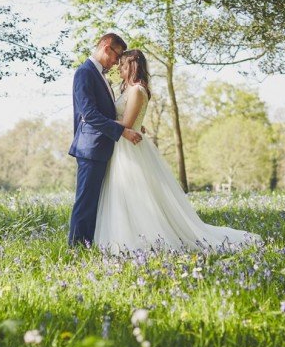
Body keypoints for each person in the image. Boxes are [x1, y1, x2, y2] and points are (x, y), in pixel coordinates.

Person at [95, 49, 261, 251]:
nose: (119, 67)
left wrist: (99, 121)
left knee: (136, 192)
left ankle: (144, 237)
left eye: (122, 64)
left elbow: (128, 123)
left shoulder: (138, 89)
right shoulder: (128, 89)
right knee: (124, 192)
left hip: (130, 146)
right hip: (124, 144)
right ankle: (122, 235)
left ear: (131, 66)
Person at [68, 33, 143, 246]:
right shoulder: (85, 73)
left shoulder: (100, 75)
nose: (116, 62)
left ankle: (90, 242)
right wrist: (122, 132)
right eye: (116, 56)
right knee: (86, 200)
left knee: (97, 201)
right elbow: (89, 114)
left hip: (103, 147)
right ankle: (76, 247)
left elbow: (107, 112)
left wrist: (131, 124)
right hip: (90, 147)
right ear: (106, 46)